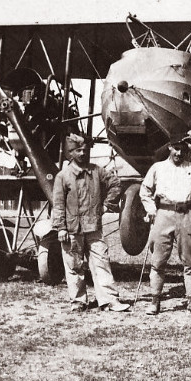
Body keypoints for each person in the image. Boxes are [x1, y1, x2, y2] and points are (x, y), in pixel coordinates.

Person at [52, 133, 130, 313]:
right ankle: (78, 301)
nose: (82, 154)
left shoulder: (97, 171)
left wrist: (106, 205)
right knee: (74, 266)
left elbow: (116, 184)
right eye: (78, 150)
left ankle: (109, 301)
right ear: (70, 153)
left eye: (85, 150)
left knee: (102, 263)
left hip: (94, 229)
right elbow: (58, 204)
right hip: (72, 230)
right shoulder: (62, 177)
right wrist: (61, 228)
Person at [139, 131, 191, 315]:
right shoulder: (158, 167)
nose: (179, 153)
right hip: (163, 214)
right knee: (158, 261)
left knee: (189, 261)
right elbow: (145, 190)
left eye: (183, 149)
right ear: (170, 147)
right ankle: (155, 300)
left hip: (186, 214)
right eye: (176, 149)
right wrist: (151, 210)